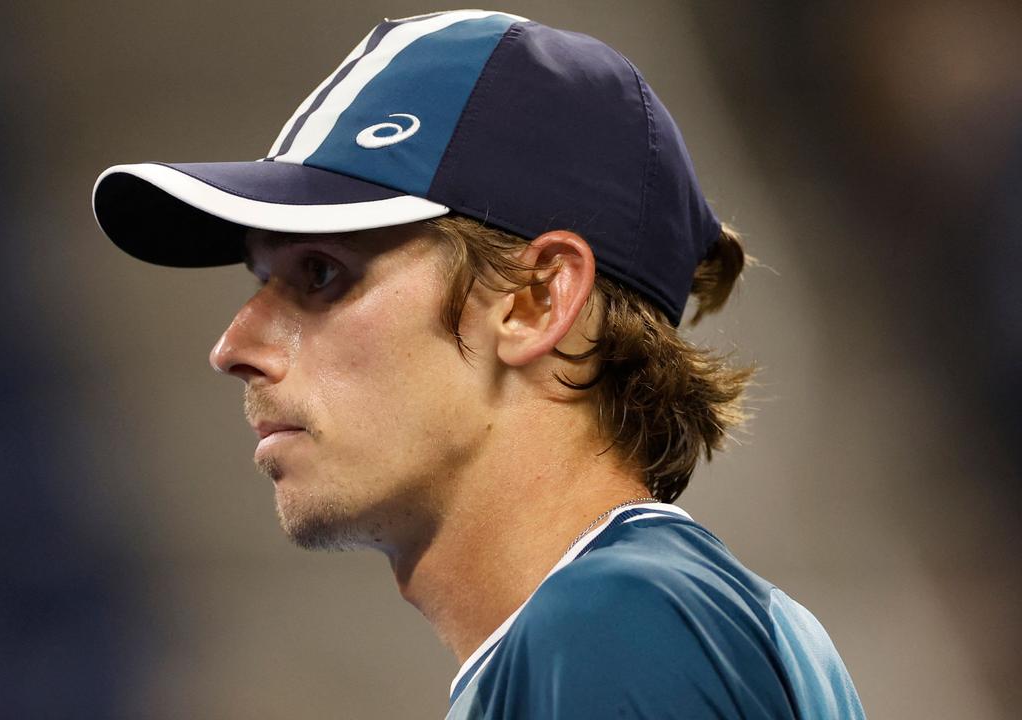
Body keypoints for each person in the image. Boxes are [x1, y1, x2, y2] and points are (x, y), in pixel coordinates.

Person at [92, 9, 866, 718]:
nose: (234, 348)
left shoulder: (616, 626)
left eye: (321, 273)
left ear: (534, 300)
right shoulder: (645, 620)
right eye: (264, 281)